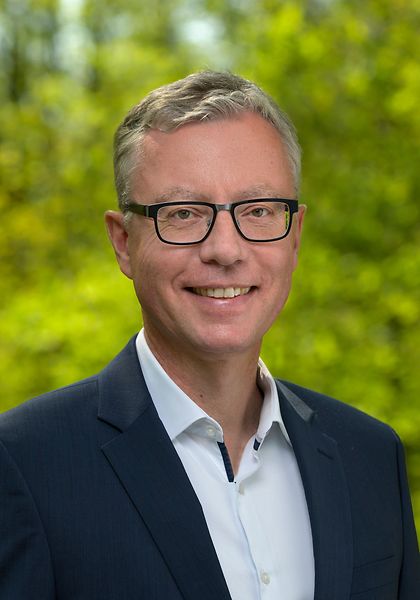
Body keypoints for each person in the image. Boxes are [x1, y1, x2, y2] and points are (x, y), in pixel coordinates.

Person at [0, 71, 418, 600]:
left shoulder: (371, 458)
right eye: (183, 214)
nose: (225, 249)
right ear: (124, 243)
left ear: (295, 235)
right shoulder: (25, 464)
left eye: (259, 211)